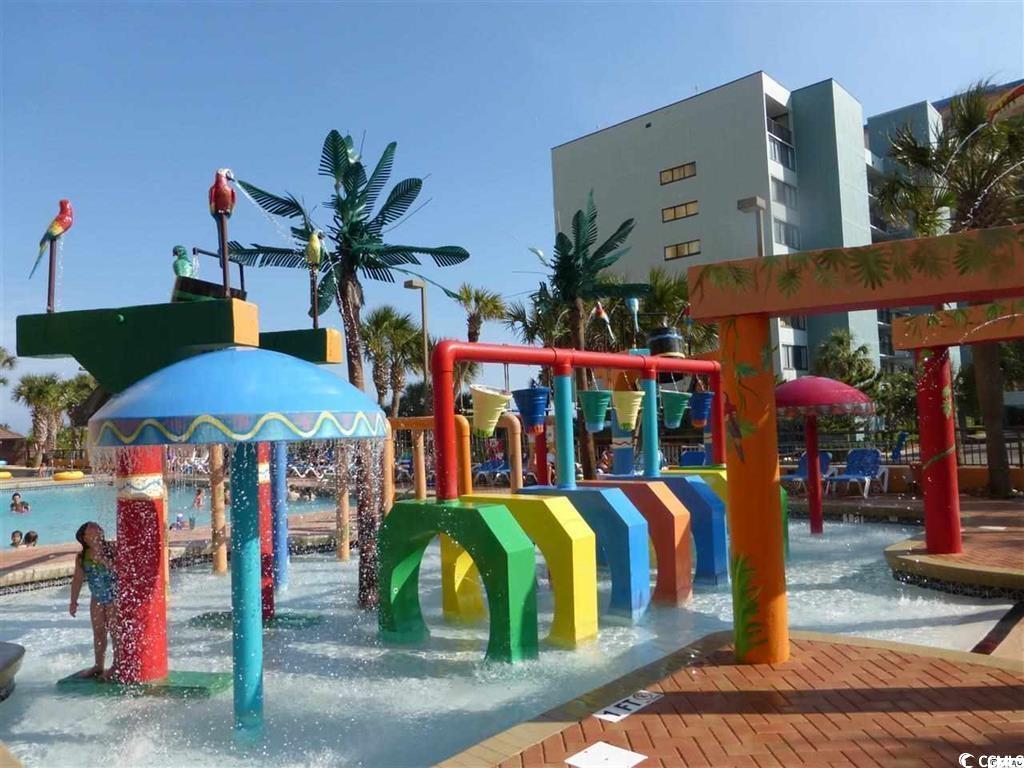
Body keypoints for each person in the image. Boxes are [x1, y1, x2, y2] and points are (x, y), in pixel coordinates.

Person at [69, 522, 118, 680]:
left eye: (99, 531)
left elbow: (121, 571)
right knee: (98, 633)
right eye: (93, 532)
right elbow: (77, 579)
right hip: (96, 597)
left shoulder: (111, 550)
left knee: (115, 632)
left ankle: (117, 665)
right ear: (85, 538)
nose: (98, 533)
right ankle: (98, 665)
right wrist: (73, 601)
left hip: (113, 597)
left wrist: (104, 560)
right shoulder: (82, 557)